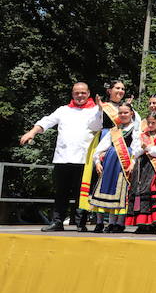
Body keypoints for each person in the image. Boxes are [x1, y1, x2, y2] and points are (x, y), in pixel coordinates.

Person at [20, 82, 103, 231]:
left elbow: (97, 126)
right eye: (77, 93)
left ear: (88, 93)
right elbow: (47, 121)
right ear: (72, 94)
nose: (80, 95)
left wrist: (100, 109)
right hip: (62, 158)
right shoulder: (63, 110)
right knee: (60, 192)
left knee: (82, 194)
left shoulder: (95, 110)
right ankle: (57, 222)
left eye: (83, 93)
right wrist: (32, 132)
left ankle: (80, 224)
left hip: (83, 159)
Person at [80, 79, 140, 232]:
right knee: (100, 182)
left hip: (123, 151)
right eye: (117, 88)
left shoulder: (130, 112)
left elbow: (137, 129)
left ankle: (116, 222)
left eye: (122, 88)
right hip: (107, 144)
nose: (120, 91)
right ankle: (98, 220)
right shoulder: (102, 107)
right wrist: (100, 110)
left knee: (118, 186)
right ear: (109, 90)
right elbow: (92, 126)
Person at [90, 103, 138, 232]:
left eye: (125, 113)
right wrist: (97, 162)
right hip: (109, 164)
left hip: (123, 164)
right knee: (106, 191)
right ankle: (104, 222)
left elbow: (136, 149)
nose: (123, 115)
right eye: (120, 113)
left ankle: (119, 223)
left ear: (131, 113)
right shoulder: (114, 130)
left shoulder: (135, 130)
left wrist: (133, 162)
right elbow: (101, 147)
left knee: (120, 193)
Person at [125, 111, 156, 233]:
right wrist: (143, 150)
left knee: (150, 192)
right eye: (148, 122)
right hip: (141, 165)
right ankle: (141, 222)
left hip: (154, 166)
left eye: (153, 122)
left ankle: (152, 222)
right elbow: (135, 150)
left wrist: (147, 148)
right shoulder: (142, 134)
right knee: (139, 192)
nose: (150, 125)